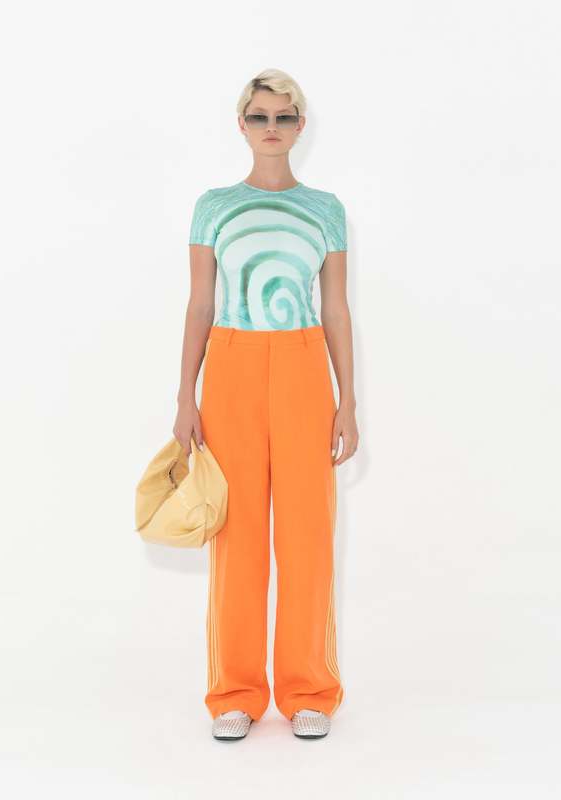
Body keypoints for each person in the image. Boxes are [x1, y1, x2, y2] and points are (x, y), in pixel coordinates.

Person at [173, 68, 359, 741]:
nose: (272, 127)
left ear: (301, 125)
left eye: (283, 116)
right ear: (242, 124)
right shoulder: (214, 206)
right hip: (232, 364)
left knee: (307, 533)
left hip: (305, 365)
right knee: (238, 535)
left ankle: (310, 690)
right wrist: (185, 396)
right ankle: (235, 693)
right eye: (259, 116)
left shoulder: (326, 209)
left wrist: (348, 401)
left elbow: (335, 309)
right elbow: (200, 304)